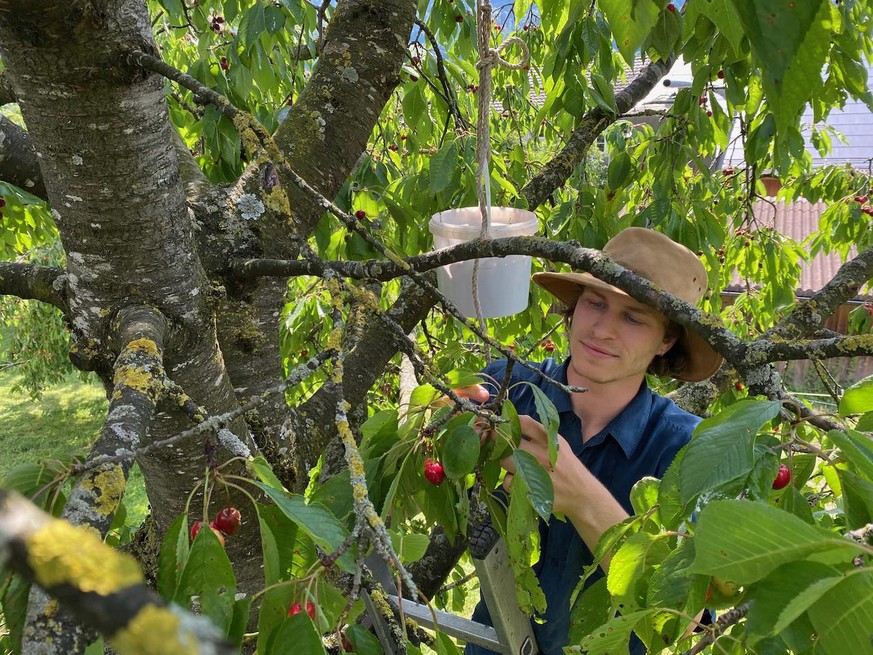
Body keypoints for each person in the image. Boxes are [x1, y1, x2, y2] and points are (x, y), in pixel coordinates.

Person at [462, 227, 723, 655]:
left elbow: (682, 618)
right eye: (596, 303)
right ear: (573, 308)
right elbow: (428, 462)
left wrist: (583, 499)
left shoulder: (690, 451)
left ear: (667, 340)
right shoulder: (511, 386)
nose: (603, 329)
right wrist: (438, 426)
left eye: (634, 317)